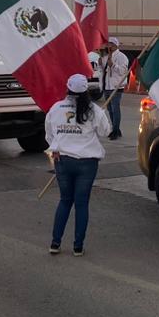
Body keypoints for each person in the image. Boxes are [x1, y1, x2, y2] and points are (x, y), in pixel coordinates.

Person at [45, 73, 112, 256]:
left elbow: (49, 134)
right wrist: (103, 114)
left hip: (63, 161)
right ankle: (78, 246)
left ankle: (55, 243)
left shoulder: (56, 108)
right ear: (86, 90)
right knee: (81, 204)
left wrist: (56, 147)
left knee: (65, 201)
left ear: (68, 88)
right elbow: (106, 132)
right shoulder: (93, 110)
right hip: (87, 163)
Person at [99, 36, 130, 140]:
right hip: (107, 86)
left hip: (116, 86)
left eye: (111, 44)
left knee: (115, 109)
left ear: (116, 45)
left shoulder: (122, 57)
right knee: (110, 110)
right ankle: (115, 129)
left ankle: (115, 131)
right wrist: (101, 64)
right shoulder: (106, 56)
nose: (109, 46)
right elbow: (103, 70)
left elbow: (123, 71)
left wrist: (113, 65)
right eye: (108, 44)